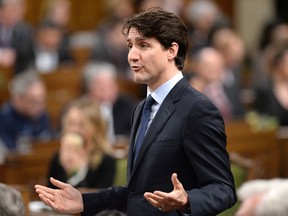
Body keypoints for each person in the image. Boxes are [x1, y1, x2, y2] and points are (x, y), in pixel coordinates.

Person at [35, 8, 237, 216]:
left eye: (144, 45)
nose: (132, 55)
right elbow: (137, 194)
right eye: (130, 46)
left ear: (171, 51)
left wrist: (187, 200)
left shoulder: (197, 109)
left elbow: (223, 189)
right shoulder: (141, 108)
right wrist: (84, 201)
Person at [47, 96, 116, 189]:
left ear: (95, 128)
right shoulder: (58, 158)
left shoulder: (107, 161)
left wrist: (75, 172)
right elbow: (51, 193)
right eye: (70, 123)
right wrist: (65, 167)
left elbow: (94, 199)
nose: (74, 129)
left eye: (81, 125)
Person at [82, 61, 136, 146]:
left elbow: (135, 131)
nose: (108, 93)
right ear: (90, 90)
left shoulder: (127, 105)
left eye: (111, 87)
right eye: (101, 88)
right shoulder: (81, 108)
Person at [0, 70, 53, 152]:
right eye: (34, 102)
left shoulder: (43, 115)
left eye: (43, 100)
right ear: (18, 99)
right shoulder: (4, 119)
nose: (41, 107)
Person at [0, 0, 34, 74]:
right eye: (12, 9)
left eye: (17, 10)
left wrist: (13, 55)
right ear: (1, 10)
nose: (15, 14)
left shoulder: (24, 30)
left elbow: (24, 53)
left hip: (17, 72)